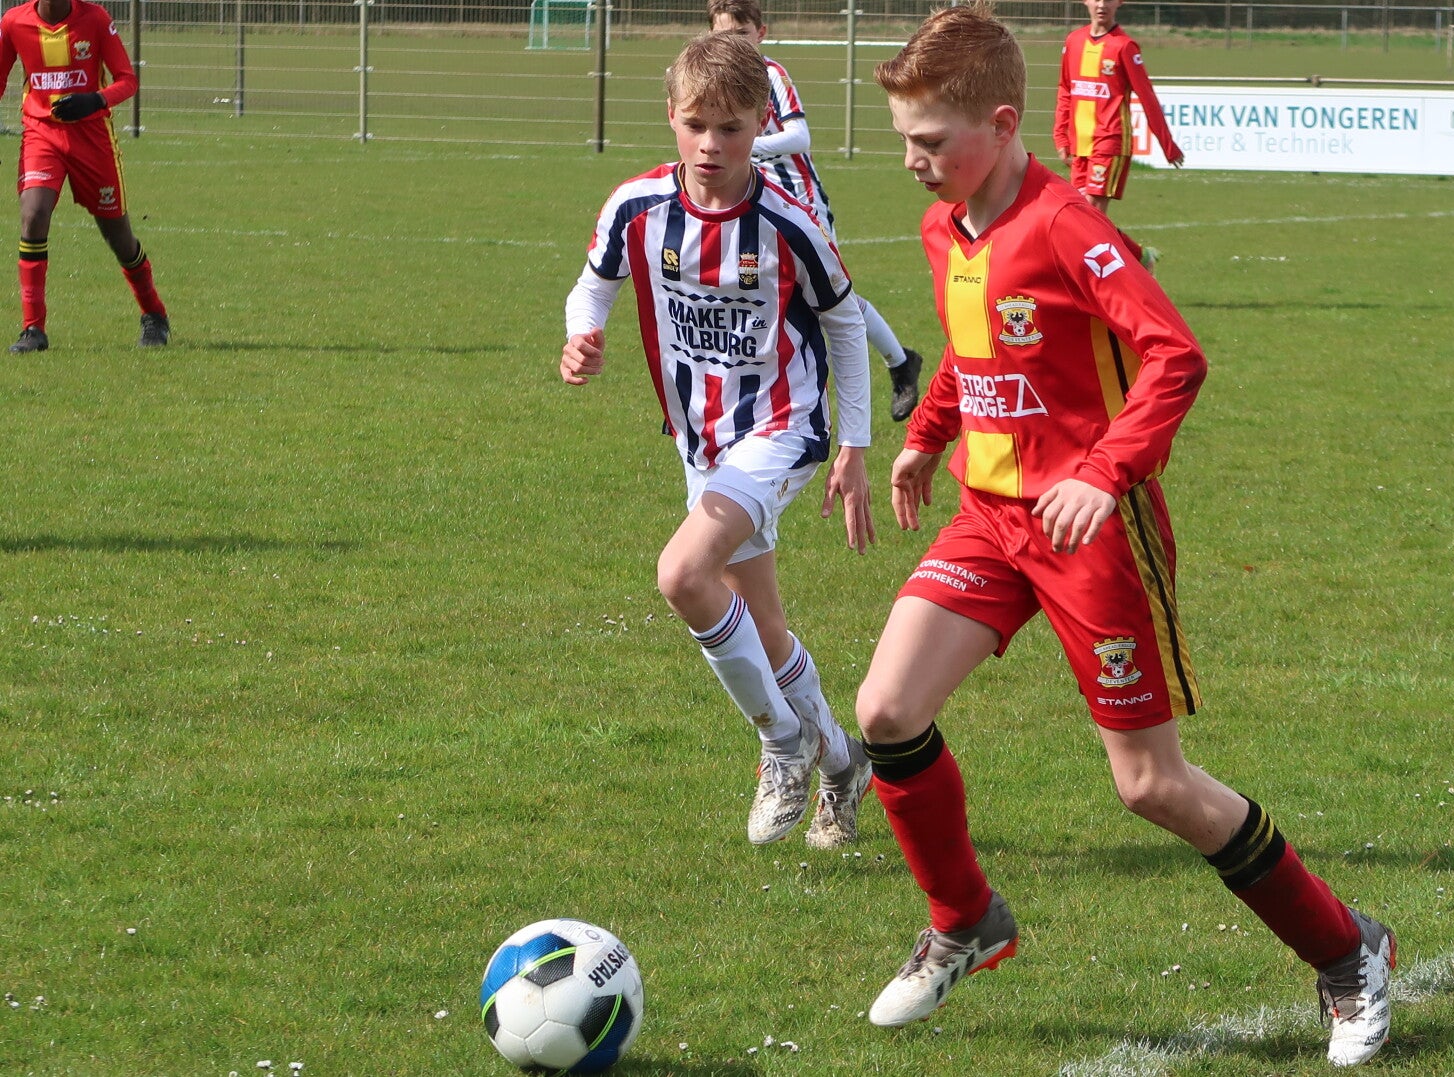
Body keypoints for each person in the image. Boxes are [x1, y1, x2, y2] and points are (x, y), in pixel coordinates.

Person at [854, 5, 1395, 1066]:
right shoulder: (945, 227)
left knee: (1150, 785)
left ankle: (1348, 950)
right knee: (886, 710)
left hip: (1092, 532)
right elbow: (971, 347)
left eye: (930, 140)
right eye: (905, 140)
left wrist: (1104, 474)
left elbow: (1175, 356)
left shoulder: (1068, 226)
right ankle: (965, 921)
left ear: (1002, 125)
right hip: (991, 516)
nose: (913, 160)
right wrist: (924, 438)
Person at [559, 30, 876, 849]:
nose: (711, 144)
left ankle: (782, 743)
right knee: (762, 628)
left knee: (683, 572)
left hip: (780, 426)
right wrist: (580, 336)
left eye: (731, 128)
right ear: (670, 114)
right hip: (700, 439)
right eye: (696, 123)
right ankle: (844, 763)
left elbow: (845, 323)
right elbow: (591, 289)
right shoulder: (636, 206)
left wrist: (854, 444)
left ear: (761, 124)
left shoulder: (788, 222)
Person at [707, 0, 926, 423]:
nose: (733, 44)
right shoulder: (718, 81)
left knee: (832, 298)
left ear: (760, 34)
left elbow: (800, 136)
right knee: (754, 290)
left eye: (741, 34)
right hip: (753, 202)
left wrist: (746, 145)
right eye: (723, 35)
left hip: (800, 204)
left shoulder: (771, 75)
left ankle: (899, 363)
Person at [0, 0, 167, 353]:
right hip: (41, 134)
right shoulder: (14, 22)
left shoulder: (95, 18)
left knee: (119, 237)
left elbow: (128, 80)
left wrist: (95, 100)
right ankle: (33, 329)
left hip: (92, 140)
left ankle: (154, 314)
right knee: (33, 214)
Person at [1054, 0, 1183, 271]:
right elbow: (1066, 89)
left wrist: (1167, 144)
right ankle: (1140, 257)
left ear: (1119, 3)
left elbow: (1147, 96)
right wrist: (1061, 136)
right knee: (1080, 214)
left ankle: (1094, 278)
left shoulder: (1124, 46)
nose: (1102, 4)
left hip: (1110, 140)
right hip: (1081, 143)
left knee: (1091, 211)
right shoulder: (1074, 41)